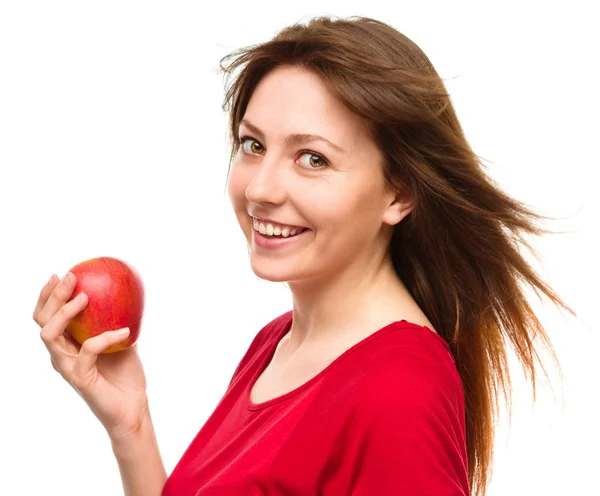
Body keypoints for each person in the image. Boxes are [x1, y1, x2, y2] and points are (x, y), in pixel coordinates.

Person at [34, 15, 577, 496]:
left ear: (399, 194)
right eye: (253, 145)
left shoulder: (397, 393)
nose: (261, 188)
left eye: (312, 158)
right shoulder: (277, 343)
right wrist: (131, 426)